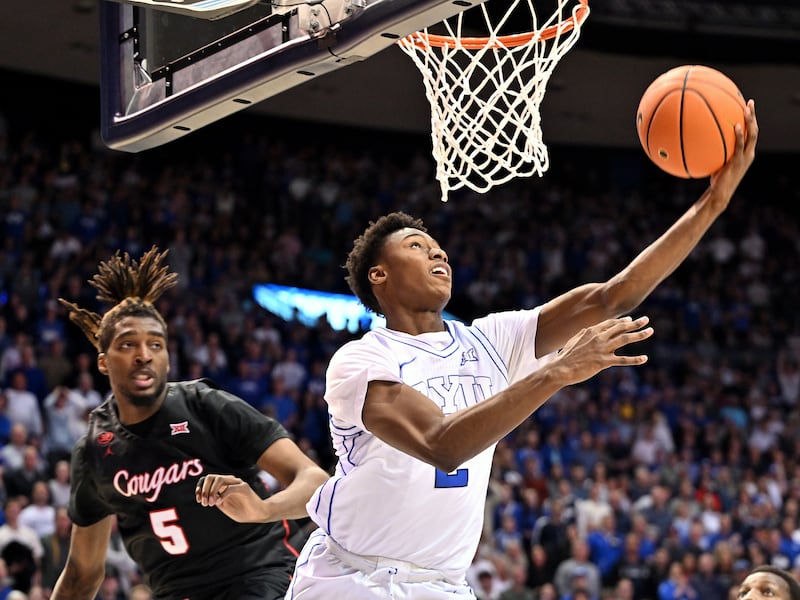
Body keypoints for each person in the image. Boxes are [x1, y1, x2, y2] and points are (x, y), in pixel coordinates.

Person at [217, 102, 757, 598]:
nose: (438, 253)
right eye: (417, 247)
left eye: (438, 247)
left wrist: (714, 202)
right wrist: (555, 373)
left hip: (445, 585)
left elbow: (614, 296)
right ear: (378, 275)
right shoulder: (361, 360)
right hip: (352, 577)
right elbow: (441, 443)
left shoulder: (491, 340)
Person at [50, 247, 330, 600]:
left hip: (260, 575)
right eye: (127, 345)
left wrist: (262, 509)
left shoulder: (204, 404)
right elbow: (81, 574)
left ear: (168, 356)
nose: (143, 355)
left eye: (156, 344)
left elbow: (316, 481)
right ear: (103, 363)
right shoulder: (94, 451)